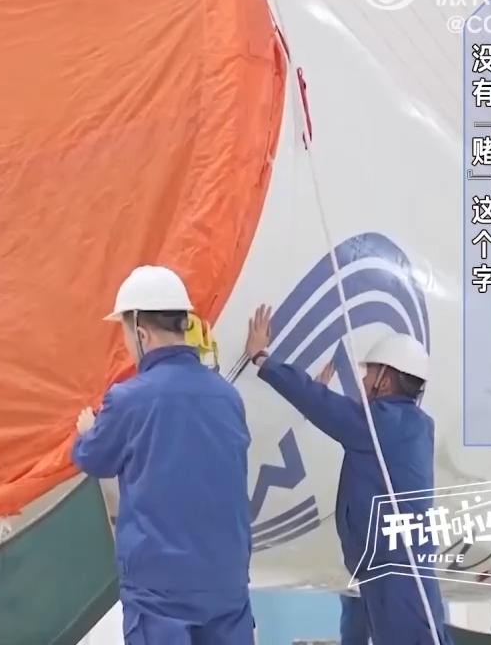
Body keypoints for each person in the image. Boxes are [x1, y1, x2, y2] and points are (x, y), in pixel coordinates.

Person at [244, 305, 450, 645]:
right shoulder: (409, 425)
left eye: (369, 373)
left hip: (393, 572)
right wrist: (323, 398)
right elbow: (340, 414)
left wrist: (262, 358)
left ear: (386, 379)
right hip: (393, 568)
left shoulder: (378, 424)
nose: (363, 380)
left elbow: (319, 403)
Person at [72, 265, 254, 644]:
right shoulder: (228, 397)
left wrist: (88, 431)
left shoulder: (129, 399)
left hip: (160, 591)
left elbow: (94, 458)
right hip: (226, 583)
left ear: (141, 333)